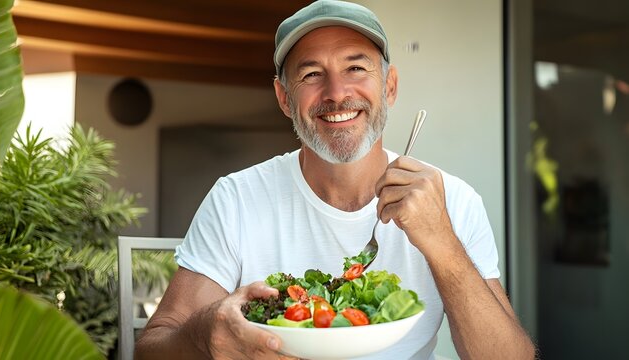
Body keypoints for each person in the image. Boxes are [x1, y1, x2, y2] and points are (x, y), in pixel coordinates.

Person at [135, 1, 535, 359]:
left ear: (390, 86)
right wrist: (206, 334)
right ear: (284, 98)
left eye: (356, 68)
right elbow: (152, 348)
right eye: (311, 74)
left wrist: (443, 243)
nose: (337, 93)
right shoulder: (236, 198)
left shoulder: (453, 200)